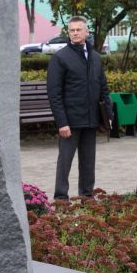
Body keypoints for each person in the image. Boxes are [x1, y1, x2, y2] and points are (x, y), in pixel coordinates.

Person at [46, 16, 113, 200]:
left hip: (90, 120)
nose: (75, 33)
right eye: (72, 30)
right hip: (70, 122)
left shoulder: (96, 58)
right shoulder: (60, 58)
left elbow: (103, 89)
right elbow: (54, 94)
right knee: (65, 162)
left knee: (88, 162)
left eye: (78, 29)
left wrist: (108, 115)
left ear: (86, 32)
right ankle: (61, 198)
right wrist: (62, 123)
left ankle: (86, 197)